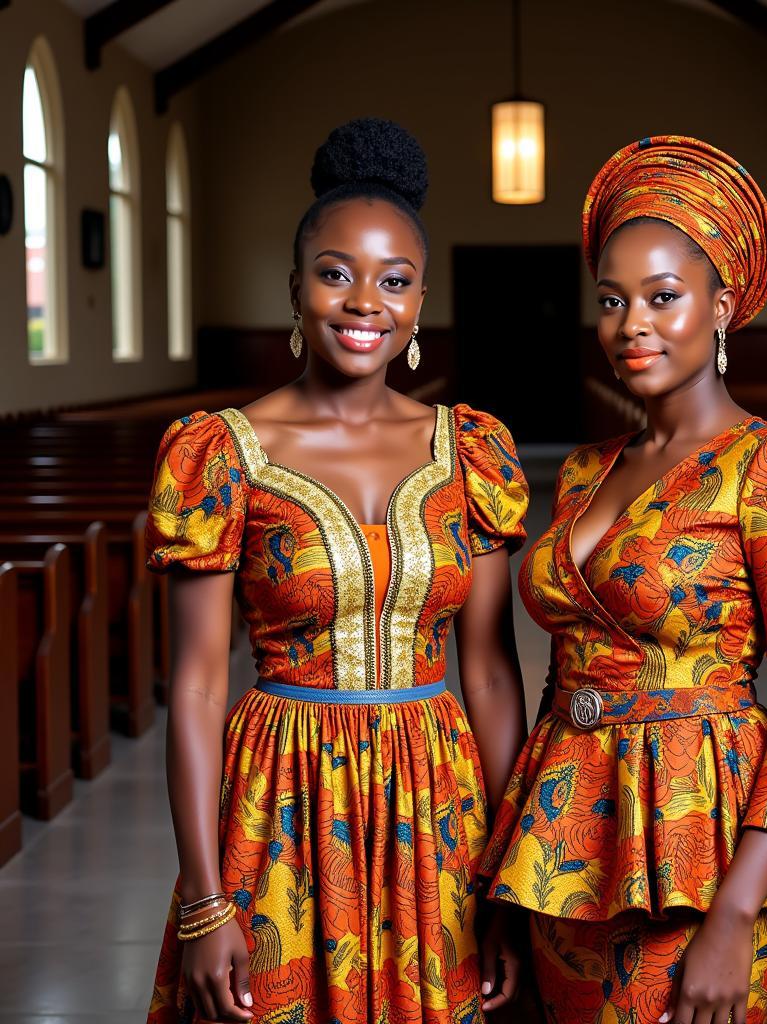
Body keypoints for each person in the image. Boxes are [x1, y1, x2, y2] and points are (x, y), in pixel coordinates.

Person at [480, 135, 767, 1024]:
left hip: (701, 848)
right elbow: (562, 674)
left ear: (722, 305)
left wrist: (738, 914)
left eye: (663, 298)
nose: (633, 325)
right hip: (567, 840)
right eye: (613, 301)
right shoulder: (586, 468)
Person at [145, 118, 528, 1024]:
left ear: (422, 299)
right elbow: (197, 688)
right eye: (336, 274)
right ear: (296, 288)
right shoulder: (222, 454)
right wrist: (204, 899)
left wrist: (517, 882)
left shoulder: (470, 451)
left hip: (438, 802)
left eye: (394, 281)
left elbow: (490, 674)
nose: (366, 303)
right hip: (280, 799)